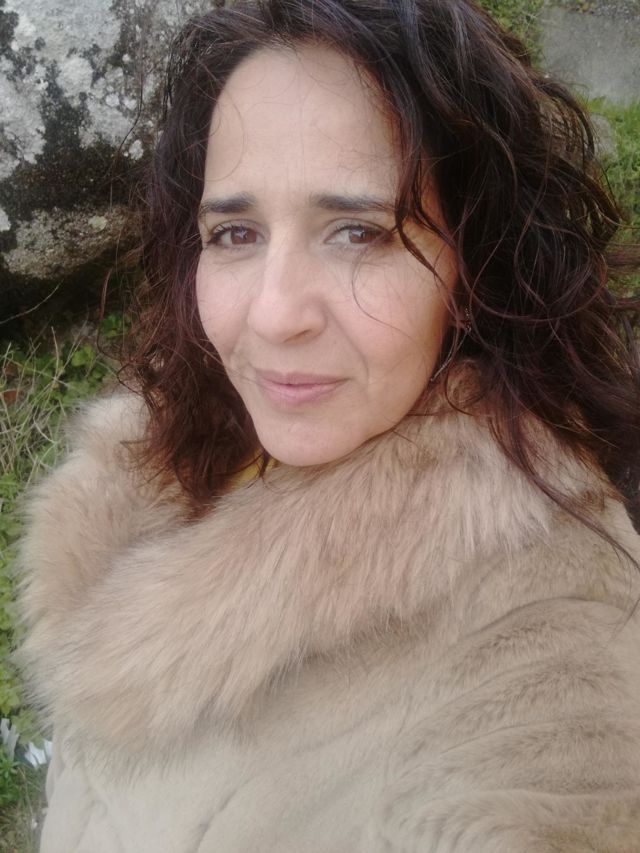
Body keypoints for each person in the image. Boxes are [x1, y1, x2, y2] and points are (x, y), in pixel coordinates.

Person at [18, 1, 640, 850]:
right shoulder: (165, 455)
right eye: (236, 232)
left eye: (357, 232)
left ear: (473, 262)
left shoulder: (553, 616)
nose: (275, 314)